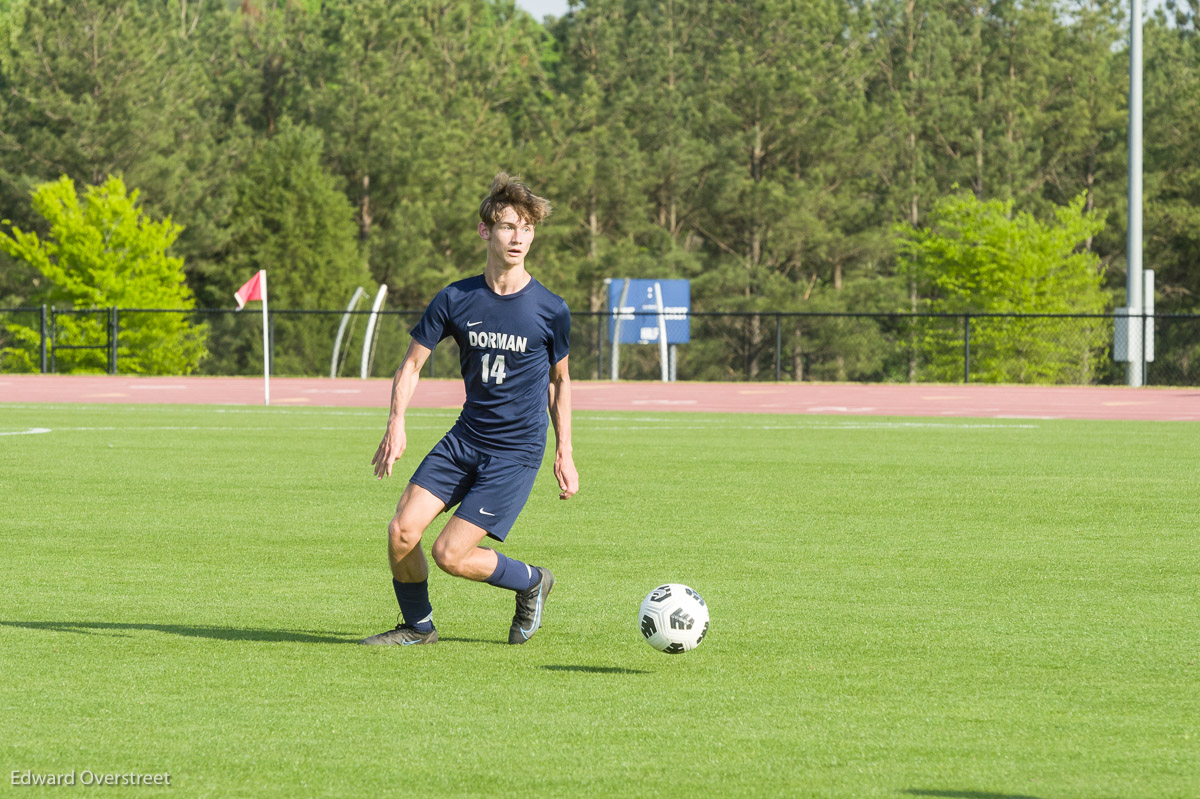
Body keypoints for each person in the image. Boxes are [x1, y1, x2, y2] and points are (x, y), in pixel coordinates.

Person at [360, 173, 578, 647]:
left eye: (526, 228)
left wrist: (565, 452)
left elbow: (560, 382)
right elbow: (411, 366)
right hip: (465, 439)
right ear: (485, 232)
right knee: (402, 531)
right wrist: (396, 423)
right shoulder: (456, 298)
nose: (518, 238)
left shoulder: (549, 309)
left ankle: (532, 581)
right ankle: (418, 629)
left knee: (451, 554)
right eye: (507, 227)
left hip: (515, 452)